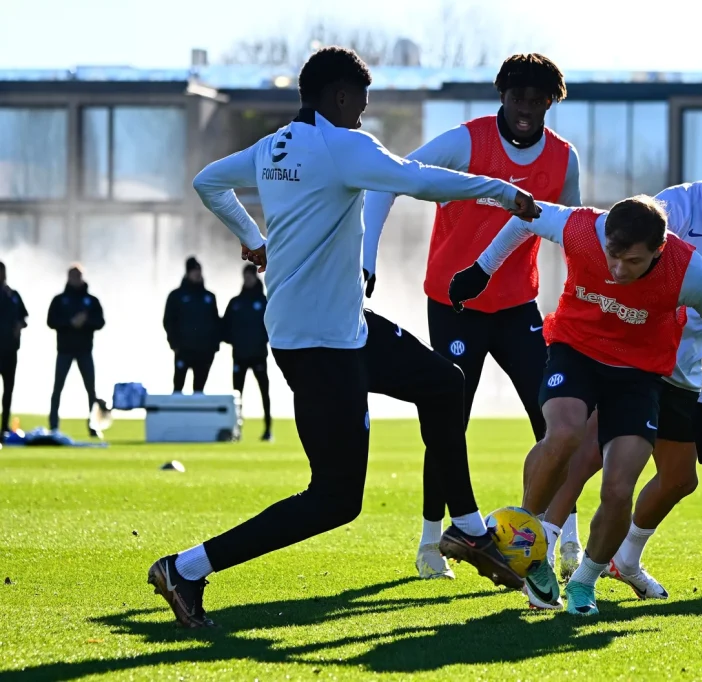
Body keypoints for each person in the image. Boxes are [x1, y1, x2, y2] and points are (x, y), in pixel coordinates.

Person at [147, 46, 541, 629]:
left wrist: (253, 239)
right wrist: (504, 192)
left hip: (339, 328)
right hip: (318, 346)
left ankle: (469, 528)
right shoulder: (343, 145)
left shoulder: (274, 145)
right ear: (338, 96)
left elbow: (209, 183)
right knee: (335, 500)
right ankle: (186, 568)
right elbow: (417, 181)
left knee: (443, 383)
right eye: (361, 99)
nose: (364, 111)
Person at [449, 195, 702, 616]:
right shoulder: (580, 227)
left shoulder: (687, 270)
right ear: (605, 237)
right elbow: (525, 216)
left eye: (634, 261)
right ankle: (530, 551)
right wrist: (481, 269)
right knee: (566, 433)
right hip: (576, 351)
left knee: (618, 485)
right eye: (614, 255)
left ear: (659, 251)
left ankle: (585, 582)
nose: (619, 270)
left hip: (639, 375)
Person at [362, 53, 587, 580]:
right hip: (455, 306)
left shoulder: (563, 159)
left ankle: (565, 537)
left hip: (518, 308)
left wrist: (584, 304)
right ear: (502, 95)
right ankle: (428, 541)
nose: (528, 111)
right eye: (519, 99)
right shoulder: (466, 142)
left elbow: (570, 231)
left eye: (540, 101)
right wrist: (366, 262)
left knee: (555, 419)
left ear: (551, 103)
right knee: (448, 418)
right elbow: (386, 182)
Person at [542, 133, 702, 596]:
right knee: (586, 456)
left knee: (680, 479)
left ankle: (624, 559)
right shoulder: (672, 208)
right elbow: (623, 267)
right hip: (633, 354)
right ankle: (541, 551)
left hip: (683, 369)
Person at [47, 264, 105, 436]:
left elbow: (100, 321)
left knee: (91, 390)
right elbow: (51, 321)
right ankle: (53, 424)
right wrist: (70, 323)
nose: (76, 279)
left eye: (78, 276)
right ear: (68, 277)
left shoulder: (91, 300)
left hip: (85, 350)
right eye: (73, 276)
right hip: (64, 350)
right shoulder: (60, 300)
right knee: (58, 388)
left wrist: (85, 323)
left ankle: (93, 425)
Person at [222, 264, 272, 441]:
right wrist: (233, 340)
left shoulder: (265, 301)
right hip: (239, 356)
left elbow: (272, 327)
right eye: (246, 276)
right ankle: (236, 430)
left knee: (264, 393)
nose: (248, 279)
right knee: (237, 395)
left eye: (251, 276)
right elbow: (225, 326)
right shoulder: (236, 303)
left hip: (259, 355)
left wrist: (261, 342)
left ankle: (268, 429)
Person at [163, 257, 221, 394]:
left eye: (198, 270)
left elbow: (216, 323)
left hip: (204, 352)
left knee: (199, 391)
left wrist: (214, 347)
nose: (197, 274)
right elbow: (168, 321)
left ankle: (196, 416)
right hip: (183, 350)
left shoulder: (209, 297)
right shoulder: (176, 296)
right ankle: (176, 415)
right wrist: (174, 344)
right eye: (194, 271)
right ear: (187, 273)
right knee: (178, 388)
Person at [0, 262, 28, 439]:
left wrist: (19, 325)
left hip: (10, 350)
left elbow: (24, 316)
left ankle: (4, 426)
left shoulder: (13, 295)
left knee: (8, 391)